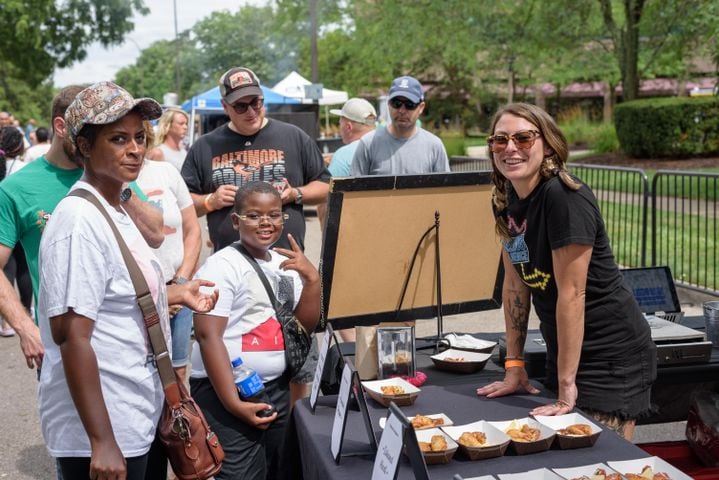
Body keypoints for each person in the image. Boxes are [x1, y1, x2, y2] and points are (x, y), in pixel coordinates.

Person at [37, 81, 218, 480]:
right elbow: (71, 335)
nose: (135, 148)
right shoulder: (79, 222)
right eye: (118, 138)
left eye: (139, 137)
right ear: (84, 145)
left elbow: (112, 296)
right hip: (105, 428)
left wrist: (176, 292)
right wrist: (102, 441)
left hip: (135, 413)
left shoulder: (113, 207)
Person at [475, 103, 656, 440]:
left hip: (610, 354)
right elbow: (515, 286)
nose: (510, 148)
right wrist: (514, 367)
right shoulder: (505, 198)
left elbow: (572, 294)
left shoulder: (563, 196)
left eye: (523, 138)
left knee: (598, 461)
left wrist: (566, 384)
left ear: (548, 144)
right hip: (564, 349)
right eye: (500, 140)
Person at [0, 85, 164, 371]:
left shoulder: (109, 169)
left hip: (127, 341)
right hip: (66, 342)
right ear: (62, 126)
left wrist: (121, 188)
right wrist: (25, 328)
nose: (133, 149)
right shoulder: (16, 188)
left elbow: (155, 234)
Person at [190, 181, 320, 480]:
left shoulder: (283, 263)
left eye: (274, 215)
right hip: (227, 391)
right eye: (254, 215)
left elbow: (301, 329)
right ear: (236, 221)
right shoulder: (222, 266)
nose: (265, 222)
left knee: (277, 469)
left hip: (273, 387)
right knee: (240, 474)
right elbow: (208, 337)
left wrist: (312, 280)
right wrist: (233, 404)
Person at [181, 66, 330, 253]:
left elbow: (326, 186)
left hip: (285, 262)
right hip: (230, 267)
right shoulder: (205, 146)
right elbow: (181, 204)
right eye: (241, 106)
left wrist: (296, 194)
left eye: (255, 102)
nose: (251, 111)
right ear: (225, 106)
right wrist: (210, 200)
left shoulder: (294, 137)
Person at [136, 121, 201, 380]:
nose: (134, 145)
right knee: (146, 372)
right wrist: (163, 296)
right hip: (140, 296)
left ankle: (178, 422)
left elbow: (193, 229)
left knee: (178, 368)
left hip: (180, 284)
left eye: (139, 136)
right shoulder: (110, 180)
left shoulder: (166, 172)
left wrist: (181, 283)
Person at [350, 75, 449, 176]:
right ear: (389, 105)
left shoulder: (434, 146)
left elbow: (446, 190)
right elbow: (353, 188)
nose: (402, 110)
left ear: (421, 107)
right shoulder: (368, 143)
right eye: (396, 103)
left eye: (409, 104)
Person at [0, 127, 30, 337]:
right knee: (24, 269)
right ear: (19, 146)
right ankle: (26, 313)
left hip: (2, 223)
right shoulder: (24, 168)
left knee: (6, 269)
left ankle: (6, 322)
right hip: (20, 221)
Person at [327, 98, 376, 177]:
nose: (339, 128)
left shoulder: (343, 156)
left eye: (340, 124)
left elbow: (327, 187)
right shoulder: (389, 148)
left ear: (348, 127)